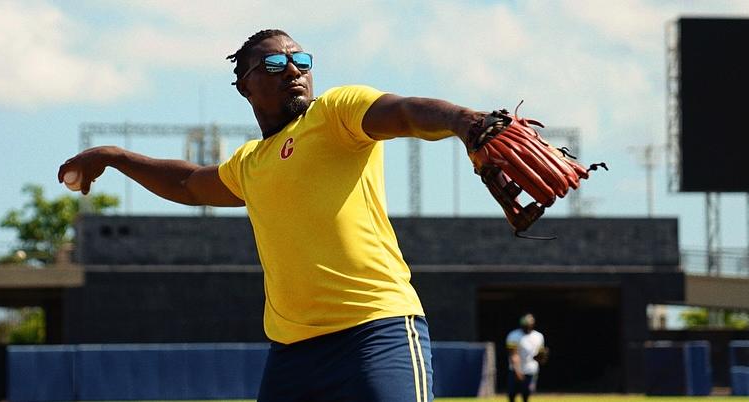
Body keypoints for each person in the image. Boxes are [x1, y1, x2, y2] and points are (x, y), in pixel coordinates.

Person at [59, 29, 486, 402]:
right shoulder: (250, 163)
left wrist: (463, 120)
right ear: (244, 86)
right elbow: (187, 183)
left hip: (374, 331)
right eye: (274, 64)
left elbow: (405, 112)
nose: (293, 70)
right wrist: (114, 156)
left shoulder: (335, 113)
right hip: (293, 354)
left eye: (301, 60)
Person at [505, 314, 547, 402]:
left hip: (531, 369)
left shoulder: (539, 336)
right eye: (525, 325)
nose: (527, 327)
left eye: (529, 325)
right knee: (512, 393)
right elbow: (513, 354)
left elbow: (538, 356)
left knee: (526, 393)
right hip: (515, 369)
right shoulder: (513, 335)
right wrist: (517, 371)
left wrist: (541, 357)